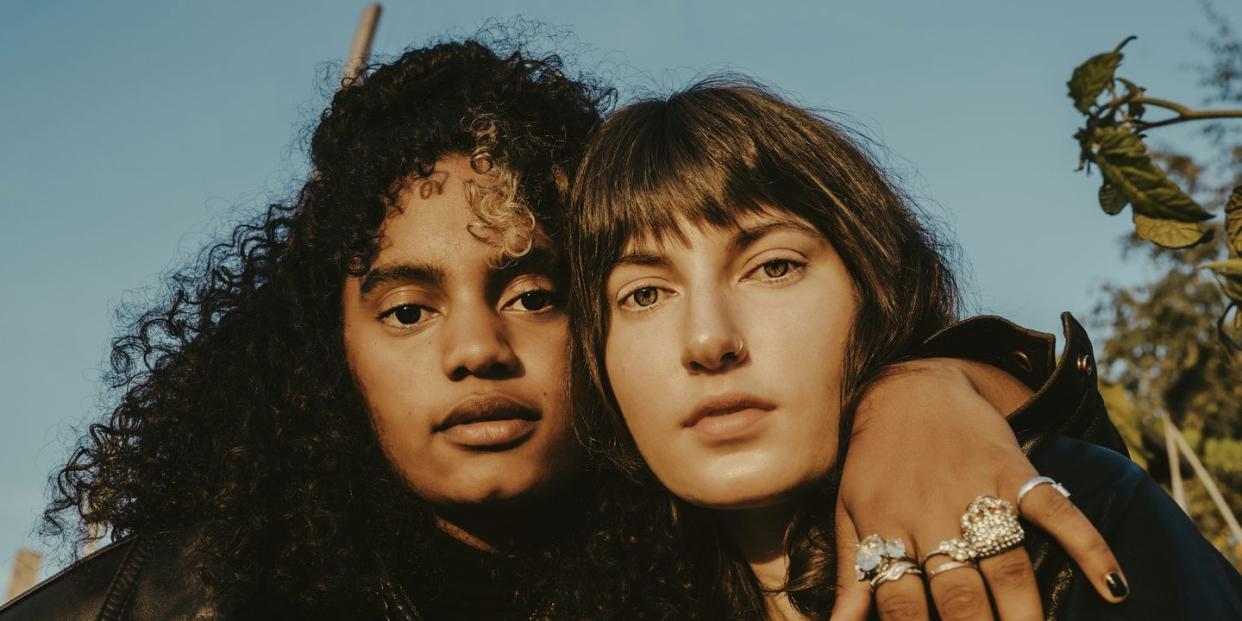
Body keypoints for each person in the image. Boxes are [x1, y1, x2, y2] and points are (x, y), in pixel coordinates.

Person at [3, 39, 1124, 621]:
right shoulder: (178, 603)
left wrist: (922, 389)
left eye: (535, 294)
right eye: (406, 309)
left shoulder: (723, 558)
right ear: (322, 360)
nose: (477, 348)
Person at [563, 77, 1242, 620]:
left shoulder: (1068, 524)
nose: (709, 339)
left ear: (875, 289)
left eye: (773, 267)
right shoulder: (570, 585)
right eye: (645, 294)